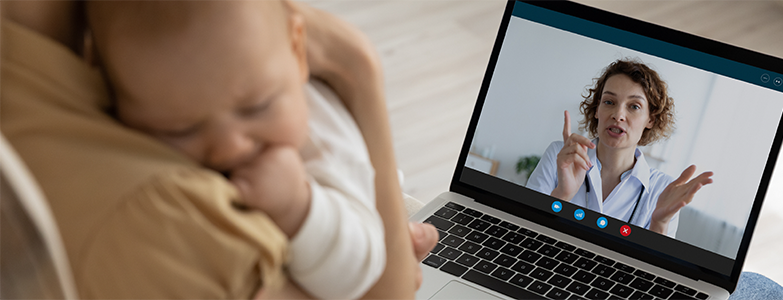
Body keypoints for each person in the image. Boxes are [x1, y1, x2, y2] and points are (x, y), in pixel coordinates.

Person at [1, 0, 437, 299]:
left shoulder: (325, 143)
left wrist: (301, 208)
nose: (229, 146)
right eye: (179, 128)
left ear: (297, 50)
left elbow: (362, 270)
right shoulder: (157, 207)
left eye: (257, 107)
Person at [526, 59, 714, 237]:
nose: (618, 115)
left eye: (634, 106)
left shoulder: (663, 190)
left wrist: (660, 224)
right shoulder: (560, 157)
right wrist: (562, 195)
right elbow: (525, 234)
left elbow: (650, 270)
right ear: (597, 109)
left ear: (651, 119)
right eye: (609, 102)